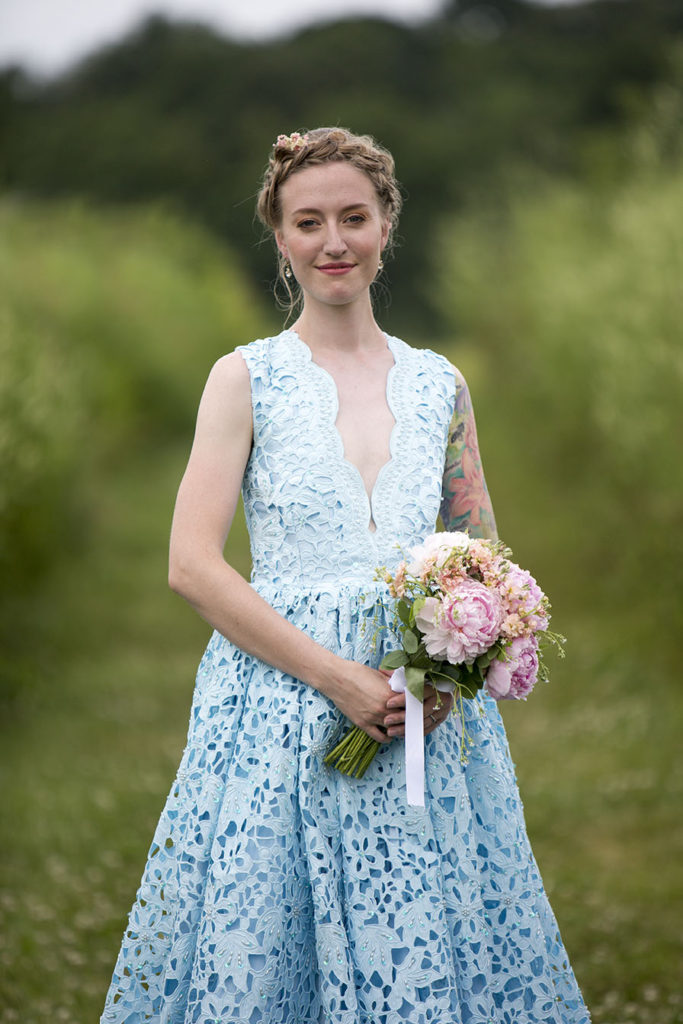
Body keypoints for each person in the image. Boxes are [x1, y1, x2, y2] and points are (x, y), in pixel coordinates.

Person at [101, 126, 589, 1023]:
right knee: (270, 941)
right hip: (277, 707)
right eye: (309, 222)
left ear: (385, 225)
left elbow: (480, 553)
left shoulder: (439, 382)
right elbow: (191, 565)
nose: (334, 242)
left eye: (353, 218)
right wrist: (337, 680)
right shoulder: (244, 379)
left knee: (423, 932)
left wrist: (449, 672)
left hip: (417, 718)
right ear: (280, 238)